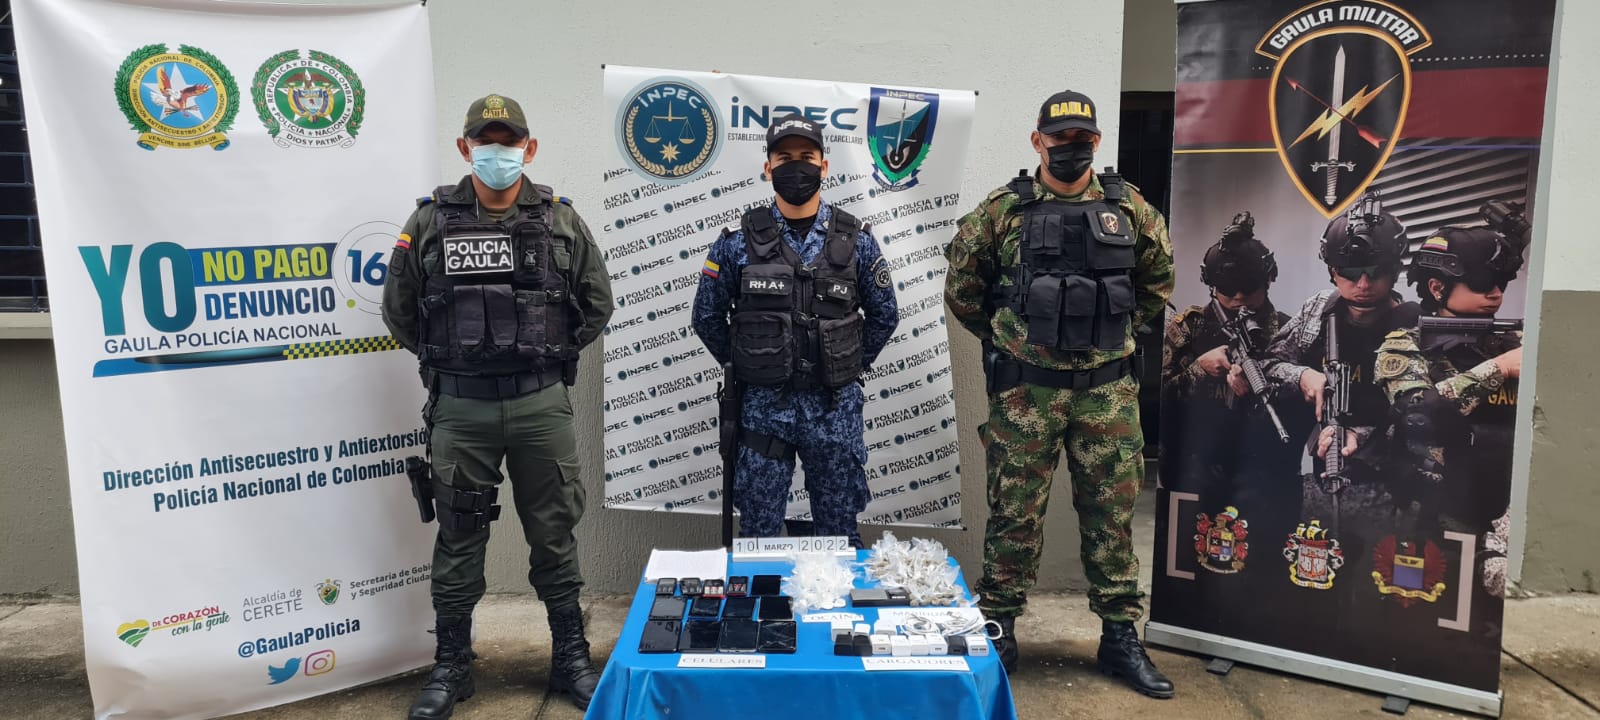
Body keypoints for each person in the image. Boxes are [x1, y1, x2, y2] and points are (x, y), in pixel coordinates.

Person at [382, 94, 614, 717]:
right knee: (459, 534)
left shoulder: (561, 219)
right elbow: (399, 311)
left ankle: (570, 657)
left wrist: (544, 352)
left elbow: (596, 302)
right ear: (465, 148)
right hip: (462, 409)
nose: (498, 151)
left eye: (509, 141)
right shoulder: (429, 222)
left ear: (528, 149)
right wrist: (457, 359)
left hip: (540, 405)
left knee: (554, 533)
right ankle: (452, 664)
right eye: (486, 141)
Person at [943, 90, 1175, 697]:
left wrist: (1109, 337)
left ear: (1096, 141)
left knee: (1112, 517)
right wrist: (1013, 339)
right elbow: (963, 290)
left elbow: (1158, 282)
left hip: (1108, 393)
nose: (1070, 148)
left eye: (1082, 139)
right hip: (1027, 394)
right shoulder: (1003, 210)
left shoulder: (1130, 209)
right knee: (1013, 514)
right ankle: (1000, 629)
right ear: (1037, 140)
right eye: (1059, 138)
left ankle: (1120, 638)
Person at [691, 113, 898, 548]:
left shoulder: (857, 241)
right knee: (758, 536)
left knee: (840, 536)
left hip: (834, 410)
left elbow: (885, 314)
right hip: (763, 410)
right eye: (784, 158)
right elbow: (706, 316)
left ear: (824, 166)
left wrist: (845, 364)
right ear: (768, 168)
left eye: (807, 156)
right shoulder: (736, 244)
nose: (796, 167)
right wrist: (750, 363)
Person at [1377, 218, 1525, 633]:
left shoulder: (1511, 341)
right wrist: (1497, 369)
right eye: (1481, 284)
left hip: (1499, 515)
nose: (1495, 294)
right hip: (1434, 514)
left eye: (1501, 283)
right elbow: (1419, 414)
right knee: (1421, 623)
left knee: (1489, 628)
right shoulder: (1406, 345)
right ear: (1437, 287)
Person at [1259, 192, 1420, 553]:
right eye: (1348, 273)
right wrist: (1303, 376)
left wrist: (1361, 434)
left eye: (1375, 273)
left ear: (1395, 271)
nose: (1362, 285)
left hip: (1392, 486)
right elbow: (1268, 365)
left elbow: (1423, 411)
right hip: (1325, 472)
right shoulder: (1320, 310)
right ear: (1333, 271)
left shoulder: (1411, 324)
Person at [1161, 210, 1296, 503]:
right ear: (1212, 285)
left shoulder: (1288, 331)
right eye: (1227, 289)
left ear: (1267, 281)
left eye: (1248, 287)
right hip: (1194, 469)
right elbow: (1158, 401)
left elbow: (1306, 408)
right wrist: (1199, 370)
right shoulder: (1189, 328)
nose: (1238, 297)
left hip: (1264, 473)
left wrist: (1268, 381)